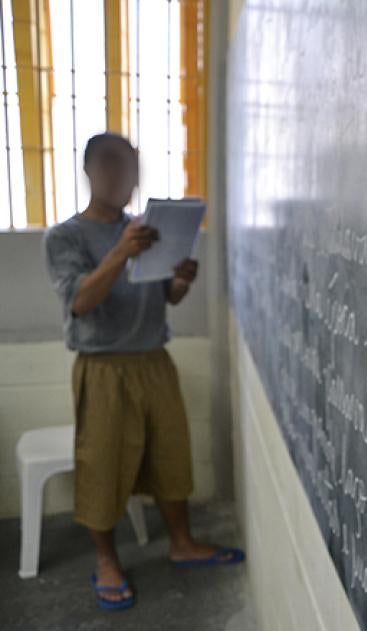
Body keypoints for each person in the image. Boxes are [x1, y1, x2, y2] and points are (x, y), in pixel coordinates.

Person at [42, 132, 244, 611]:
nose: (123, 176)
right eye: (111, 164)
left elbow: (164, 296)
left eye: (131, 166)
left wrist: (181, 281)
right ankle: (106, 560)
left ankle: (182, 542)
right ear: (89, 170)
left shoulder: (145, 230)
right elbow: (80, 301)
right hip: (104, 367)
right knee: (103, 465)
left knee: (171, 455)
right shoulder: (66, 236)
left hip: (154, 359)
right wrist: (120, 252)